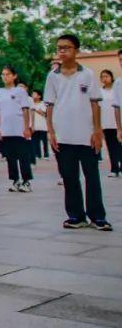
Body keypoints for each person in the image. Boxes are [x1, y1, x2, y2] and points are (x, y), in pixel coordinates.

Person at [46, 33, 111, 230]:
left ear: (76, 51)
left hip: (86, 135)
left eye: (66, 47)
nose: (62, 51)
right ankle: (76, 216)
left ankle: (97, 216)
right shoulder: (52, 76)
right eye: (59, 48)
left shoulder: (87, 74)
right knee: (69, 177)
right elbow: (49, 105)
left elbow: (95, 104)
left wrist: (97, 131)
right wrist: (51, 132)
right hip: (63, 135)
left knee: (92, 176)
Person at [0, 65, 33, 192]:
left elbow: (25, 109)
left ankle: (26, 181)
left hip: (19, 129)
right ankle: (15, 180)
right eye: (3, 74)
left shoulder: (20, 91)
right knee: (10, 157)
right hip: (6, 130)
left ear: (14, 76)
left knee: (23, 156)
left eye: (8, 74)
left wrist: (27, 127)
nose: (5, 77)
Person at [100, 70, 120, 177]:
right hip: (106, 123)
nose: (105, 79)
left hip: (117, 123)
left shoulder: (116, 90)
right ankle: (114, 169)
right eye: (102, 77)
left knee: (119, 146)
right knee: (110, 147)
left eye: (107, 76)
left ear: (111, 77)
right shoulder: (100, 92)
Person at [31, 90, 49, 162]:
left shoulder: (43, 104)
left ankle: (46, 154)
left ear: (39, 96)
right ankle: (38, 154)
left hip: (43, 126)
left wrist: (35, 108)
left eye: (35, 94)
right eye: (32, 94)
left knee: (44, 141)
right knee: (35, 141)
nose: (33, 95)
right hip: (34, 126)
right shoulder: (30, 103)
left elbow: (44, 113)